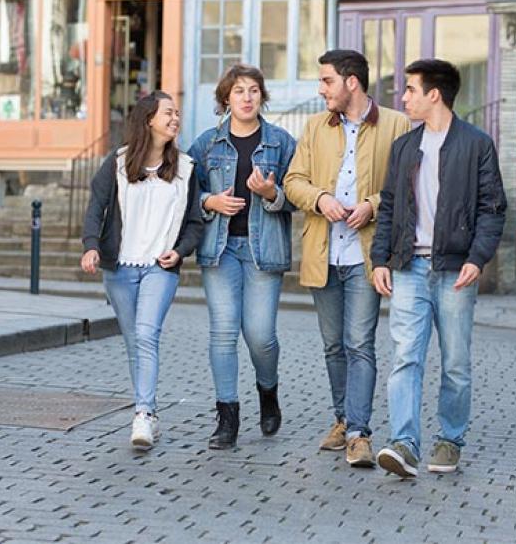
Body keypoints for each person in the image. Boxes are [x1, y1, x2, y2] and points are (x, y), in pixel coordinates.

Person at [371, 58, 507, 478]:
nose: (404, 97)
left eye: (410, 89)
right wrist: (380, 259)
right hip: (409, 267)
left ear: (434, 94)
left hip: (454, 270)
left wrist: (476, 258)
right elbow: (390, 206)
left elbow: (492, 208)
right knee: (405, 357)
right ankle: (404, 443)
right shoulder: (405, 147)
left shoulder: (476, 144)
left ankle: (450, 440)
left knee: (455, 363)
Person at [284, 49, 410, 468]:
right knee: (333, 345)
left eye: (326, 81)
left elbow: (405, 185)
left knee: (360, 344)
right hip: (323, 252)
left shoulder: (396, 124)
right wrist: (320, 198)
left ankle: (358, 432)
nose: (321, 90)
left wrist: (371, 205)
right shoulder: (315, 127)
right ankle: (342, 419)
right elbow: (292, 182)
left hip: (366, 254)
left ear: (350, 82)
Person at [81, 91, 203, 451]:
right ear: (149, 119)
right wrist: (91, 245)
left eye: (178, 113)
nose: (175, 118)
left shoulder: (186, 168)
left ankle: (144, 413)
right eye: (169, 113)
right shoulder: (117, 163)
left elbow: (195, 221)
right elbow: (96, 206)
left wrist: (180, 252)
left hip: (159, 269)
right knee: (135, 342)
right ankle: (145, 409)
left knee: (147, 336)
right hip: (119, 268)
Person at [188, 64, 296, 450]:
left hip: (262, 251)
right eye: (239, 91)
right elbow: (186, 197)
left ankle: (268, 391)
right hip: (220, 251)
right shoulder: (205, 145)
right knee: (222, 333)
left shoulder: (282, 143)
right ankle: (227, 418)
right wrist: (209, 200)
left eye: (253, 90)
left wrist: (271, 195)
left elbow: (297, 195)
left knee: (261, 336)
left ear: (262, 97)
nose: (247, 97)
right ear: (225, 99)